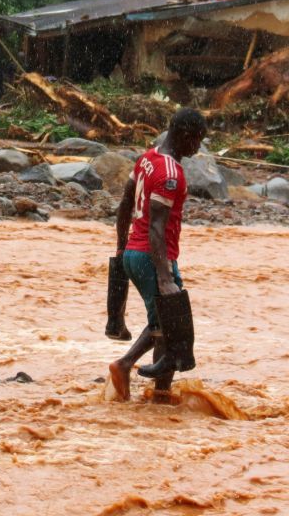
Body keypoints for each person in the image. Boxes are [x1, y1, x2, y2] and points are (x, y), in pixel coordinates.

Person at [108, 108, 207, 404]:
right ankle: (126, 366)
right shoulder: (170, 174)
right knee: (169, 323)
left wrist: (121, 246)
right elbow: (156, 226)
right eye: (198, 140)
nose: (198, 147)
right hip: (152, 257)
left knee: (165, 327)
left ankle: (160, 395)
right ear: (186, 136)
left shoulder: (147, 159)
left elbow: (125, 203)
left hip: (134, 254)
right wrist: (165, 277)